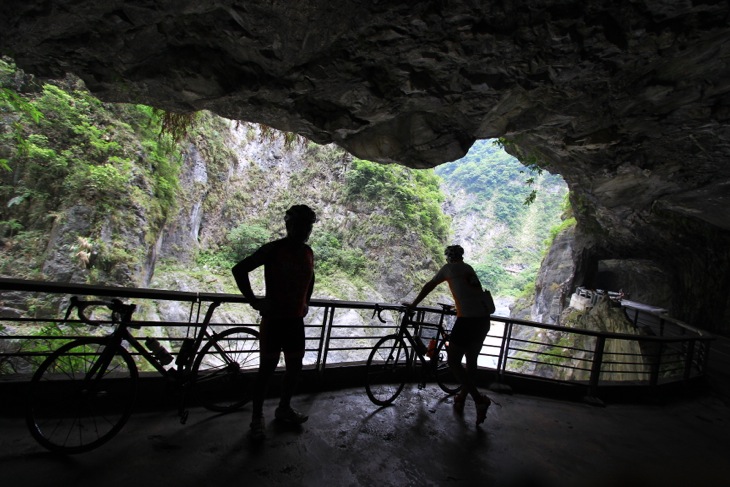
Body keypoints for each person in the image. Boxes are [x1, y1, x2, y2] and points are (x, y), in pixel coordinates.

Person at [232, 204, 317, 441]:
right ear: (288, 225)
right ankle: (257, 417)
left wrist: (306, 302)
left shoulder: (308, 252)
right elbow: (239, 269)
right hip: (274, 322)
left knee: (294, 368)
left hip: (295, 322)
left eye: (308, 226)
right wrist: (254, 302)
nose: (304, 230)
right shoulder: (273, 249)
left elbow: (311, 278)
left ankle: (284, 409)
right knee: (266, 371)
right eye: (300, 225)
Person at [404, 244, 492, 425]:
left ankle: (478, 399)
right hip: (483, 320)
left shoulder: (448, 269)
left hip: (467, 320)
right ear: (461, 256)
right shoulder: (468, 268)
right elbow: (470, 292)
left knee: (453, 361)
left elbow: (429, 285)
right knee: (471, 361)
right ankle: (461, 397)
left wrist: (413, 305)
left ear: (448, 257)